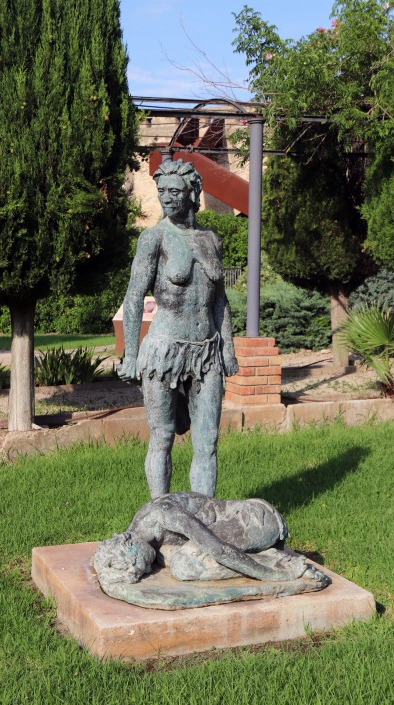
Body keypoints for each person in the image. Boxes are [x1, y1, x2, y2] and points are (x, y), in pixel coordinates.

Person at [117, 159, 238, 498]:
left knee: (208, 441)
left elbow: (220, 300)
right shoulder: (154, 238)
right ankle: (161, 511)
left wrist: (228, 348)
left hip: (207, 349)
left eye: (174, 191)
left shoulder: (211, 239)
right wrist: (130, 355)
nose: (166, 198)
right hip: (164, 350)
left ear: (192, 193)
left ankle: (203, 512)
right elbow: (133, 297)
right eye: (161, 191)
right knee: (163, 436)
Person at [94, 493, 329, 588]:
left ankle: (276, 561)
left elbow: (220, 551)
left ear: (129, 544)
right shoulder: (144, 534)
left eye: (139, 566)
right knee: (177, 559)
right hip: (240, 524)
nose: (146, 570)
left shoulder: (162, 515)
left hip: (256, 520)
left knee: (183, 565)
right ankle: (266, 555)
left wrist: (277, 575)